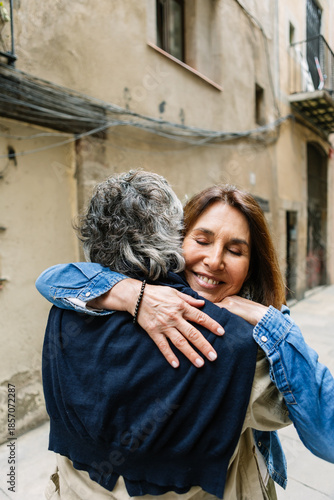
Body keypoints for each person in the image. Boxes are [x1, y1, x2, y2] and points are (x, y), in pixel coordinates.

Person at [38, 170, 295, 500]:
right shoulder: (231, 343)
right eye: (201, 241)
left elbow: (50, 278)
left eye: (234, 250)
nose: (213, 260)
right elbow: (292, 405)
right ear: (176, 239)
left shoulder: (65, 310)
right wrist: (276, 324)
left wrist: (132, 294)